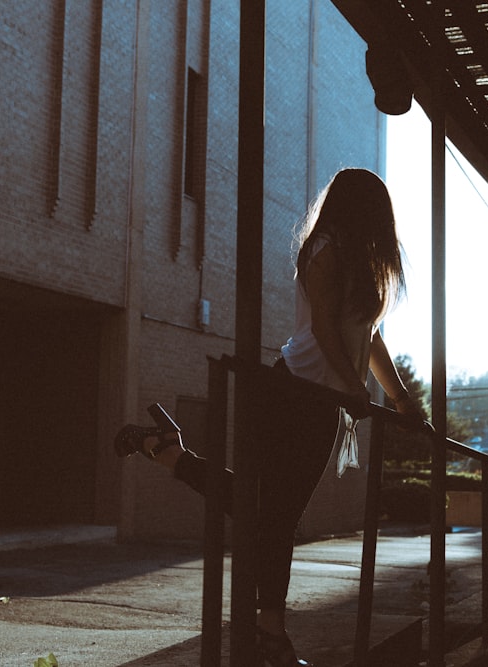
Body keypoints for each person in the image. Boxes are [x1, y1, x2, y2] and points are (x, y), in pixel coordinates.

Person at [114, 167, 423, 667]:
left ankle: (166, 451)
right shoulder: (324, 249)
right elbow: (322, 325)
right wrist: (351, 389)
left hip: (325, 402)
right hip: (294, 392)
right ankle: (270, 635)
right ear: (362, 210)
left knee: (269, 511)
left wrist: (402, 399)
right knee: (274, 515)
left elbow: (370, 338)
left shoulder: (361, 264)